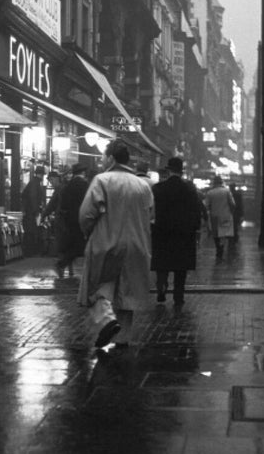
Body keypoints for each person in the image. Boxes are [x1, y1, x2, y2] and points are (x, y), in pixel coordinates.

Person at [78, 139, 154, 349]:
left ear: (110, 158)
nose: (101, 160)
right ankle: (122, 339)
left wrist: (89, 233)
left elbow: (86, 215)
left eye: (103, 156)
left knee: (98, 286)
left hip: (106, 242)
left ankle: (106, 322)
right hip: (137, 245)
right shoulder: (142, 185)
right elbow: (150, 216)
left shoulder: (102, 181)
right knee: (127, 293)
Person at [151, 157, 202, 306]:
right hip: (183, 234)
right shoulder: (190, 189)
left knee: (162, 265)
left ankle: (161, 288)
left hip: (162, 232)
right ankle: (178, 296)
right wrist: (195, 228)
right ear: (181, 171)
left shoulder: (158, 188)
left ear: (169, 170)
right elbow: (196, 210)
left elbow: (152, 211)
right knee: (181, 268)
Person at [55, 163, 89, 279]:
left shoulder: (68, 186)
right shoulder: (85, 185)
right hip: (82, 218)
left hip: (69, 219)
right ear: (83, 173)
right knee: (80, 245)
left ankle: (65, 266)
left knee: (73, 243)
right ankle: (62, 264)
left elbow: (63, 204)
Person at [204, 175, 235, 258]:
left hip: (214, 216)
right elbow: (232, 203)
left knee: (216, 234)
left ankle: (218, 248)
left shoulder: (210, 192)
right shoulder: (227, 191)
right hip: (225, 215)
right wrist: (231, 212)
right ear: (221, 182)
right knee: (223, 234)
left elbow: (206, 205)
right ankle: (221, 247)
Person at [20, 165, 46, 256]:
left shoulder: (34, 182)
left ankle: (30, 251)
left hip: (29, 211)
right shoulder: (35, 183)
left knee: (30, 231)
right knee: (31, 231)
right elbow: (33, 197)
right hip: (31, 211)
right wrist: (36, 211)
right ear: (41, 174)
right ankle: (30, 251)